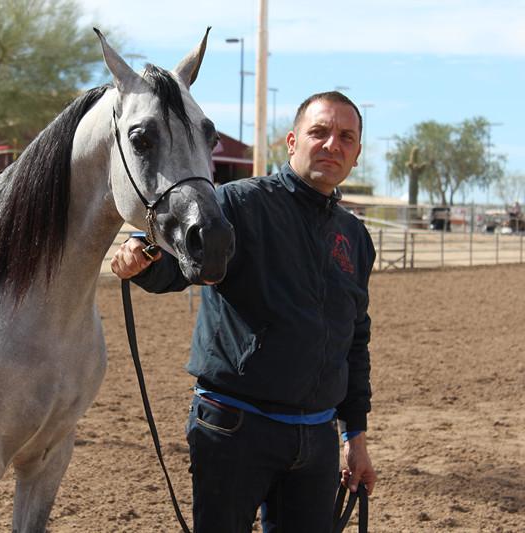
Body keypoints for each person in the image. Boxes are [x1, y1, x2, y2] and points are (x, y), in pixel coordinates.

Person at [111, 91, 377, 533]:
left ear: (356, 154)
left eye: (345, 137)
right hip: (234, 430)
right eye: (320, 132)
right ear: (292, 142)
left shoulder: (355, 237)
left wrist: (356, 437)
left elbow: (356, 342)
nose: (333, 144)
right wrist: (141, 260)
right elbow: (177, 269)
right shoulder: (237, 204)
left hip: (317, 440)